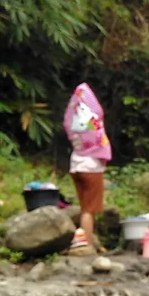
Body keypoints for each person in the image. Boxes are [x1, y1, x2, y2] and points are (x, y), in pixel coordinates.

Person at [63, 83, 111, 255]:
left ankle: (87, 240)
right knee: (89, 210)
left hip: (76, 164)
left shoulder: (73, 125)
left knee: (85, 208)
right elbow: (101, 144)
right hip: (91, 168)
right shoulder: (92, 127)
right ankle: (88, 245)